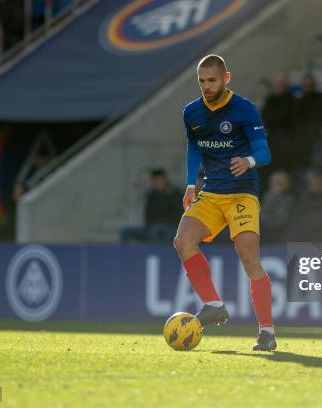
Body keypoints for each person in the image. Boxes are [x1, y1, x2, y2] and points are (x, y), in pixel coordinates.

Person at [174, 54, 276, 351]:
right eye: (202, 81)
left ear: (226, 78)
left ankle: (267, 332)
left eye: (212, 80)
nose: (206, 86)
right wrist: (192, 183)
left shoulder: (244, 110)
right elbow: (194, 146)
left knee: (248, 256)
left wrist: (249, 160)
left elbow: (265, 153)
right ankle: (214, 304)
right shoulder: (192, 112)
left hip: (242, 193)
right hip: (212, 191)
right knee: (183, 241)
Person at [120, 168, 182, 243]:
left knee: (157, 231)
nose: (158, 182)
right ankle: (124, 254)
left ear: (165, 180)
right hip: (152, 227)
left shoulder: (175, 194)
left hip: (171, 228)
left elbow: (178, 216)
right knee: (125, 231)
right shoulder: (151, 195)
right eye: (155, 180)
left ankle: (159, 253)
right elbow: (148, 216)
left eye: (160, 179)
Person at [260, 171, 293, 244]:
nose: (277, 185)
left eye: (280, 182)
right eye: (275, 182)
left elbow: (282, 220)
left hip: (283, 237)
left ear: (287, 184)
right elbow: (262, 218)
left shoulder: (291, 200)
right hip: (264, 237)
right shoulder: (266, 198)